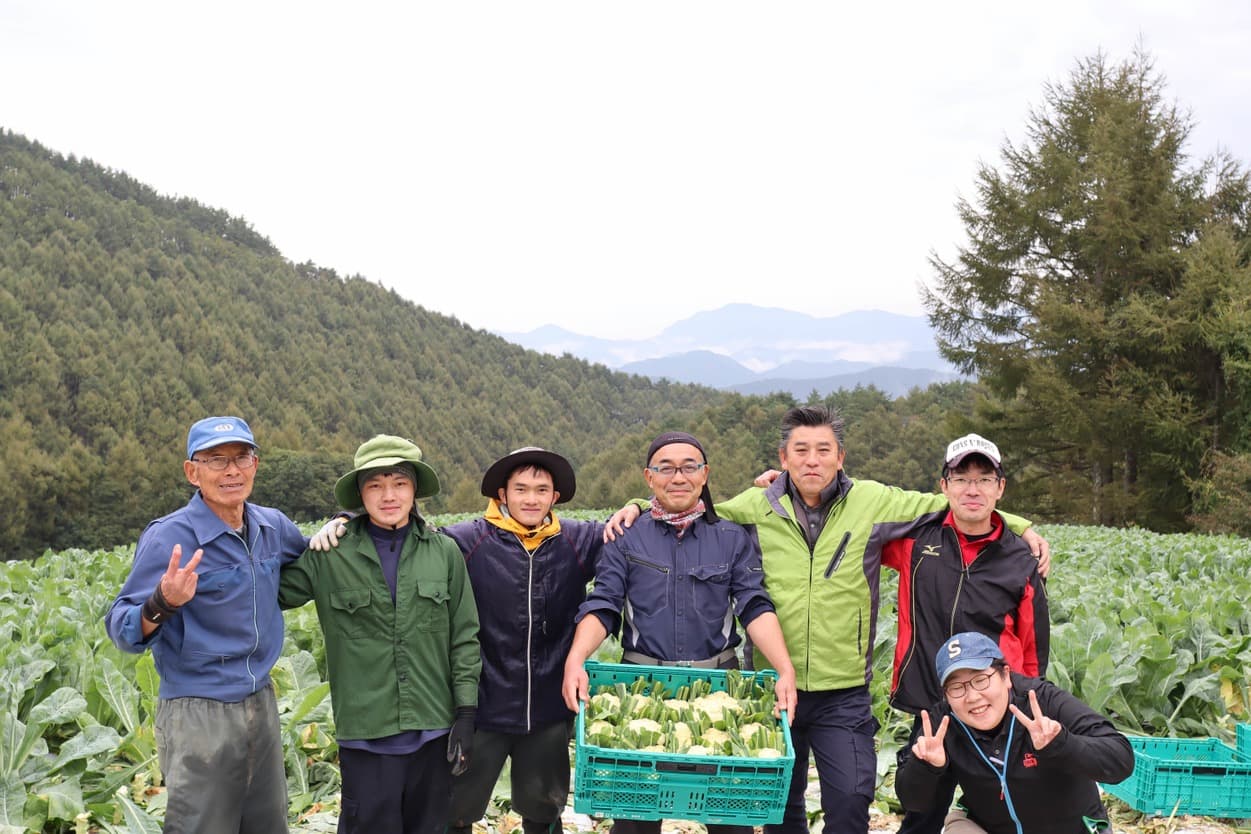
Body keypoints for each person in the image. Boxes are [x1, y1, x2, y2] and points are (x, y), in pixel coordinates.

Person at [608, 406, 1049, 834]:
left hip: (844, 691)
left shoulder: (873, 501)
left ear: (840, 458)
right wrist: (636, 505)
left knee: (851, 801)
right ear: (783, 459)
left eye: (824, 450)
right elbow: (687, 501)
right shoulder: (755, 506)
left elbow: (951, 502)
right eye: (800, 450)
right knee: (782, 804)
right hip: (772, 687)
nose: (812, 460)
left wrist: (1020, 525)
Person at [310, 446, 616, 834]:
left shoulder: (577, 539)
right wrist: (347, 519)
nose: (531, 499)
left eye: (542, 490)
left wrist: (637, 504)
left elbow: (627, 531)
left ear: (555, 496)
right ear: (501, 495)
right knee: (457, 809)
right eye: (520, 489)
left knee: (544, 808)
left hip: (549, 707)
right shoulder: (466, 539)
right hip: (482, 706)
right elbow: (405, 532)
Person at [562, 431, 799, 834]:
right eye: (666, 468)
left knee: (730, 818)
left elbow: (754, 606)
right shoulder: (625, 538)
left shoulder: (731, 538)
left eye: (689, 467)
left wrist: (784, 669)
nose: (678, 477)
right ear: (648, 477)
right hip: (641, 687)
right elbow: (603, 605)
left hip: (718, 688)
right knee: (635, 820)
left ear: (704, 475)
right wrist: (576, 659)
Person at [105, 415, 308, 834]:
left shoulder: (272, 527)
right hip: (198, 710)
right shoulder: (170, 538)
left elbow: (310, 562)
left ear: (256, 464)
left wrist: (342, 527)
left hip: (261, 703)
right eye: (216, 460)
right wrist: (163, 602)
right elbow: (121, 628)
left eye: (241, 457)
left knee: (268, 824)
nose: (231, 470)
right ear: (192, 472)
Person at [278, 434, 481, 834]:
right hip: (366, 738)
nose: (389, 495)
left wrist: (467, 715)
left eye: (399, 483)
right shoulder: (328, 554)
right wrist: (300, 540)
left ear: (415, 490)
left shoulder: (445, 553)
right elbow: (267, 591)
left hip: (433, 732)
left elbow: (465, 638)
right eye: (375, 485)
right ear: (359, 494)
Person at [875, 433, 1050, 834]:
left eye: (985, 479)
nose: (973, 489)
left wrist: (1025, 704)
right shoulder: (915, 542)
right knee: (921, 812)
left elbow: (1033, 648)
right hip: (929, 702)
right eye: (961, 478)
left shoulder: (1022, 560)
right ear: (944, 486)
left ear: (1000, 488)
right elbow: (849, 524)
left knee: (1001, 811)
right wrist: (790, 485)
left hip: (993, 708)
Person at [894, 632, 1133, 834]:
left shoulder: (1042, 701)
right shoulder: (942, 722)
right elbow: (913, 801)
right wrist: (926, 768)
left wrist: (1062, 745)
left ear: (1005, 676)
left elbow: (1121, 759)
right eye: (957, 687)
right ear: (945, 694)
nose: (973, 697)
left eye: (981, 680)